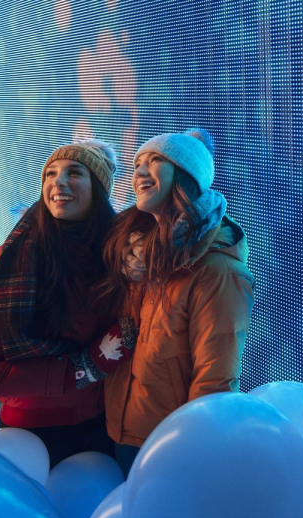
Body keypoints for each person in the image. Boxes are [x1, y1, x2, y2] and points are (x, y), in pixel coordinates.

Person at [0, 139, 135, 467]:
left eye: (75, 173)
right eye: (50, 174)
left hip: (108, 425)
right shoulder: (12, 260)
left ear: (99, 189)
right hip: (31, 436)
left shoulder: (120, 256)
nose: (58, 181)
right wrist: (80, 369)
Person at [100, 128, 254, 474]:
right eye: (137, 164)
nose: (140, 172)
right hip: (123, 430)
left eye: (155, 160)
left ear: (187, 175)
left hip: (171, 445)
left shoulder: (217, 270)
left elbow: (215, 381)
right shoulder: (140, 254)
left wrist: (193, 451)